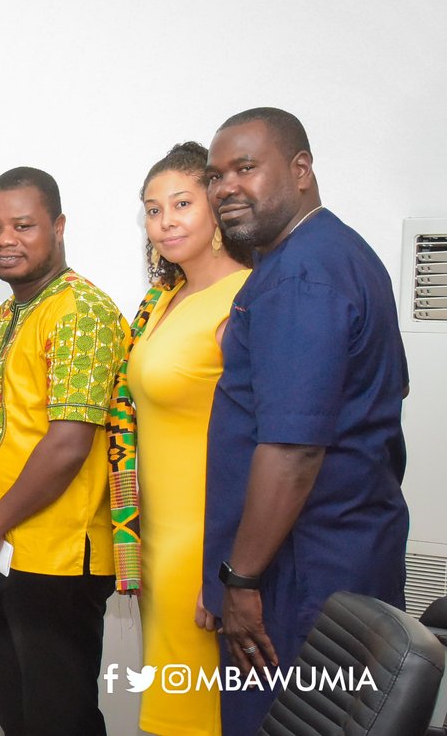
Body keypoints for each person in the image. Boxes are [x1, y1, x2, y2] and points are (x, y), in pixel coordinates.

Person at [201, 108, 410, 736]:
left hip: (295, 582)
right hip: (330, 563)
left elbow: (292, 451)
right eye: (214, 176)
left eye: (245, 168)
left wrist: (241, 583)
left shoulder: (302, 274)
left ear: (300, 171)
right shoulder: (326, 253)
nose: (225, 187)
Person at [0, 166, 127, 736]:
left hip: (55, 561)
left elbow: (69, 442)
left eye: (23, 225)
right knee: (19, 718)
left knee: (60, 720)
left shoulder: (81, 312)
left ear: (58, 226)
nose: (5, 240)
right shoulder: (5, 316)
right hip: (0, 550)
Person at [116, 142, 251, 736]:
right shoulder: (163, 299)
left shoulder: (244, 299)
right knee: (174, 709)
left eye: (181, 204)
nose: (164, 221)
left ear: (218, 208)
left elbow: (261, 441)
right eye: (152, 209)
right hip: (157, 539)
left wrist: (229, 568)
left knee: (198, 715)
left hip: (205, 543)